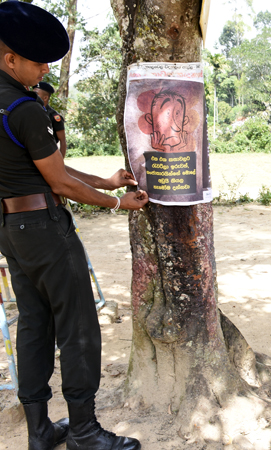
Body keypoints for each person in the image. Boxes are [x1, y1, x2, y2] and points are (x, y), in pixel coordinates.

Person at [0, 2, 147, 449]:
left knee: (33, 323)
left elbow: (47, 167)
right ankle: (83, 430)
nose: (44, 69)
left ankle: (40, 431)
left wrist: (103, 180)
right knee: (79, 325)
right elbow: (58, 179)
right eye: (37, 60)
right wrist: (116, 201)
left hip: (11, 230)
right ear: (10, 59)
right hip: (44, 228)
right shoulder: (24, 109)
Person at [33, 81, 66, 157]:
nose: (33, 96)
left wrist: (60, 161)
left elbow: (63, 141)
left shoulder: (54, 116)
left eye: (36, 94)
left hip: (48, 154)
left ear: (45, 98)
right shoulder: (31, 112)